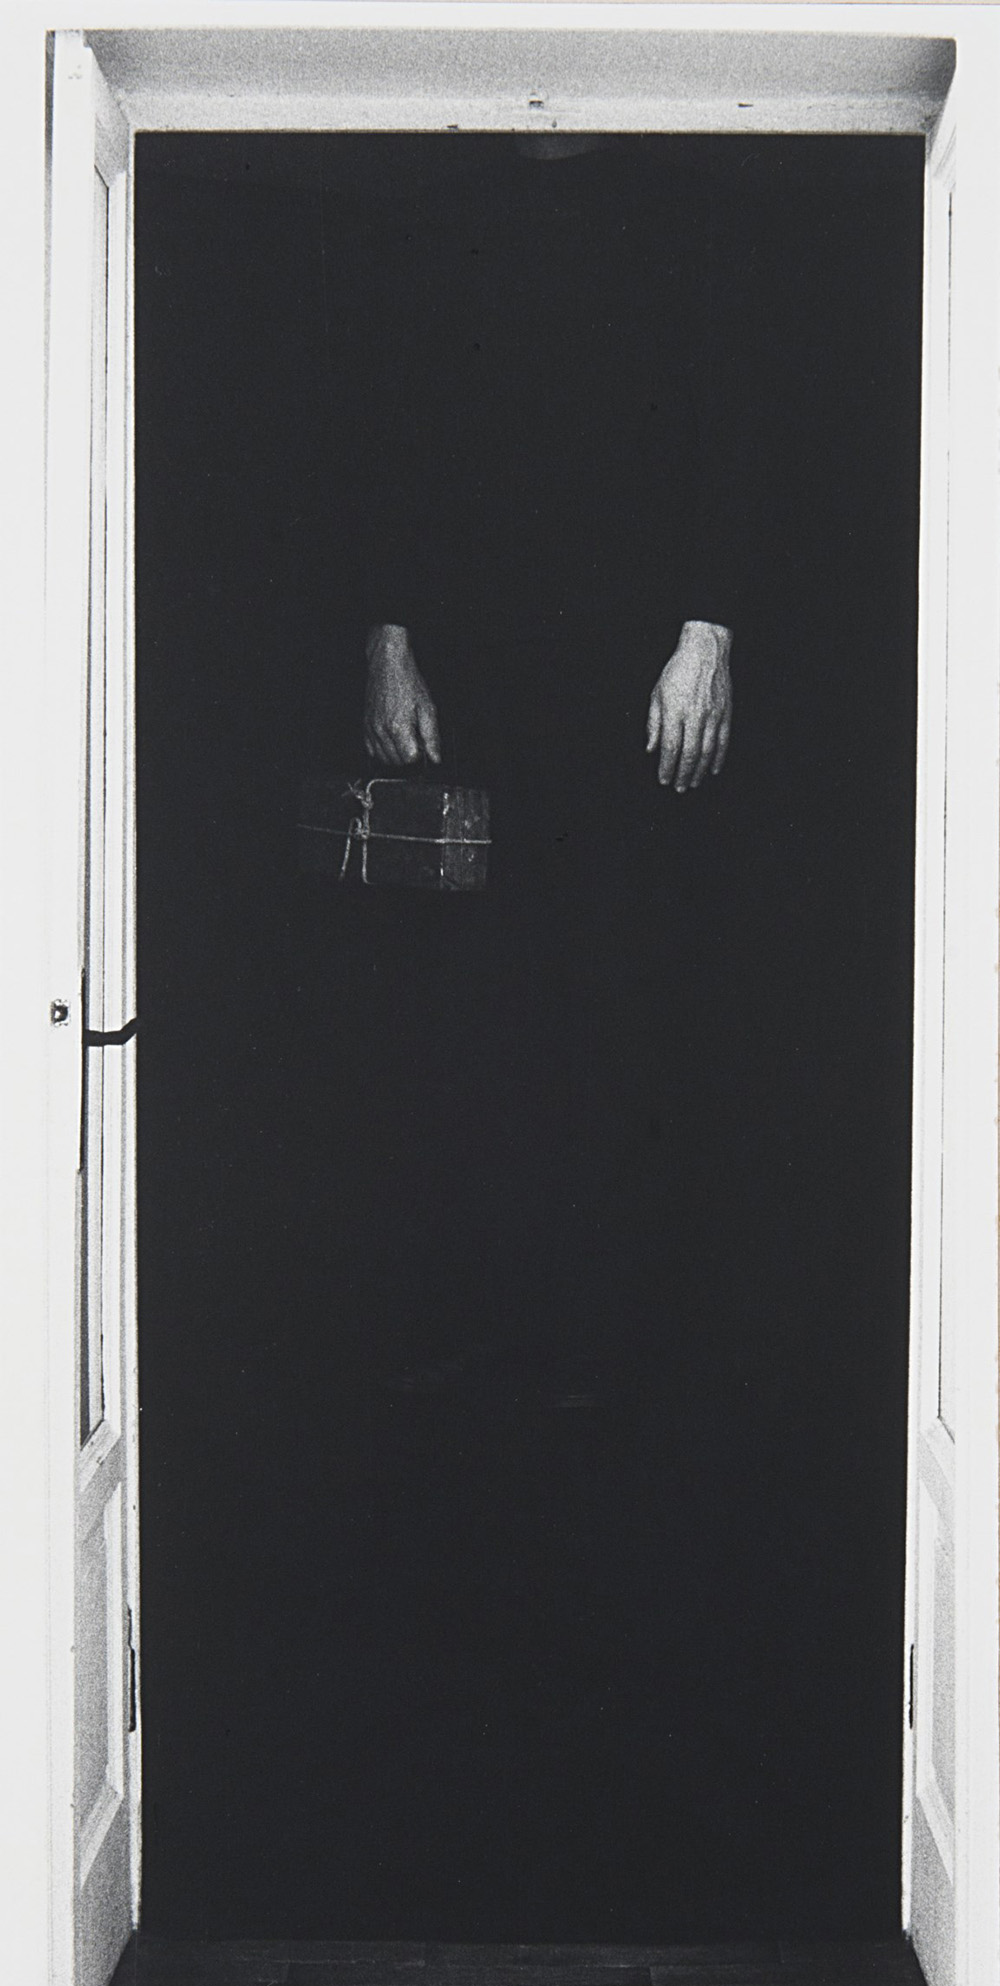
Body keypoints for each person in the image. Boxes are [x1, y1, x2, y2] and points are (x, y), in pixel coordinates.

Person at [353, 133, 742, 1380]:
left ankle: (623, 1347)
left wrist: (709, 628)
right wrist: (388, 638)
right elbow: (386, 428)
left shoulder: (684, 190)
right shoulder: (434, 201)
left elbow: (737, 405)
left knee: (632, 991)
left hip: (636, 675)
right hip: (473, 676)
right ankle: (474, 1342)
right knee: (465, 1000)